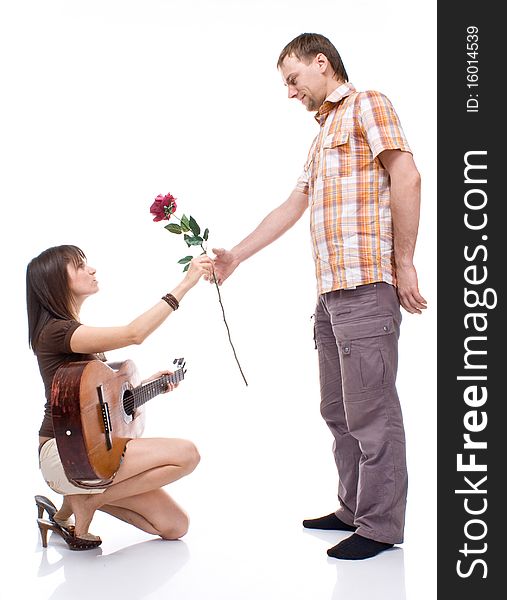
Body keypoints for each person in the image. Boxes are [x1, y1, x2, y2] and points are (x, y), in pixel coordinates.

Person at [212, 33, 427, 560]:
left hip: (365, 287)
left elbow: (408, 174)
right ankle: (352, 508)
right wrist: (236, 255)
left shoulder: (366, 105)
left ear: (321, 63)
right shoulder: (322, 133)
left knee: (372, 413)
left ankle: (380, 527)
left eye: (292, 79)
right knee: (337, 410)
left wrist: (403, 262)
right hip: (330, 295)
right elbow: (293, 204)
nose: (289, 92)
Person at [27, 244, 213, 550]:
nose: (92, 269)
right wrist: (187, 282)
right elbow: (134, 334)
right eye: (80, 266)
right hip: (65, 454)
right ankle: (87, 501)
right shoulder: (57, 332)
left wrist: (148, 387)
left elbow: (97, 409)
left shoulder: (75, 332)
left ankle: (79, 505)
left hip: (95, 452)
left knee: (175, 526)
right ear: (56, 282)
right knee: (187, 454)